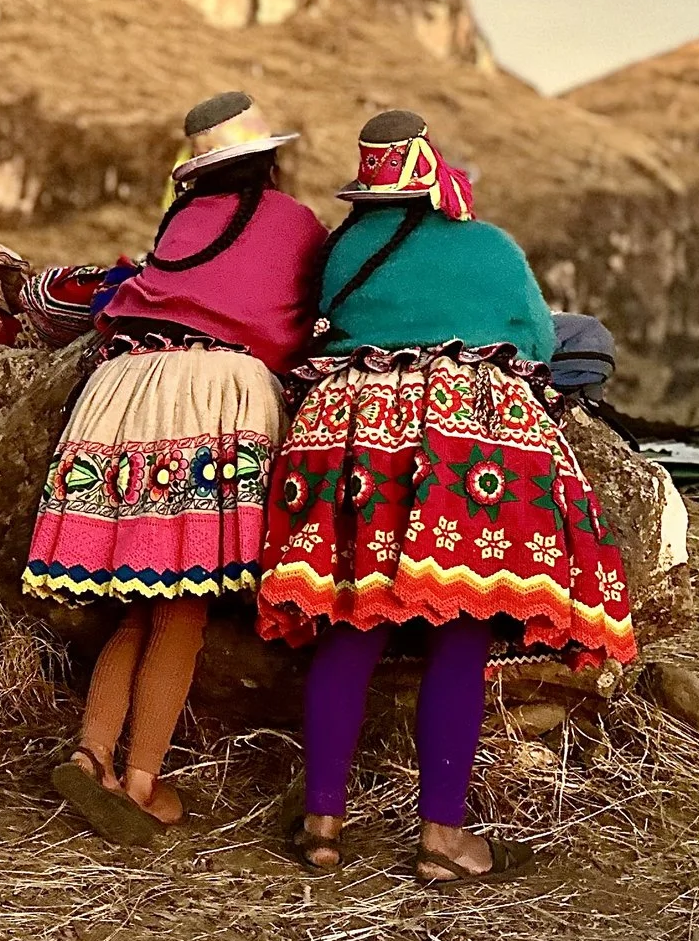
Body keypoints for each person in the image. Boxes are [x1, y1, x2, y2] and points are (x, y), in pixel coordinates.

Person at [254, 110, 635, 883]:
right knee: (460, 632)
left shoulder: (341, 250)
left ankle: (324, 824)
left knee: (348, 622)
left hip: (350, 433)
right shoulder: (489, 245)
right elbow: (534, 341)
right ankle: (442, 839)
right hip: (467, 440)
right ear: (432, 176)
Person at [25, 91, 327, 845]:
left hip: (124, 393)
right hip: (216, 400)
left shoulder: (181, 222)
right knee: (184, 602)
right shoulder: (295, 222)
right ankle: (141, 781)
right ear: (268, 158)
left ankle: (91, 750)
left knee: (138, 594)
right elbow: (307, 321)